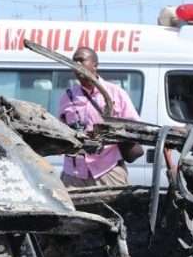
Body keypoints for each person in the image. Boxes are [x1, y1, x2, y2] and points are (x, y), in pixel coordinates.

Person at [58, 47, 143, 187]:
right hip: (73, 174)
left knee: (116, 208)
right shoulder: (67, 97)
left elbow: (135, 127)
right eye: (74, 61)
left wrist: (106, 134)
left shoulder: (115, 93)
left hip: (107, 170)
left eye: (81, 60)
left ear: (95, 65)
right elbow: (60, 128)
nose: (77, 64)